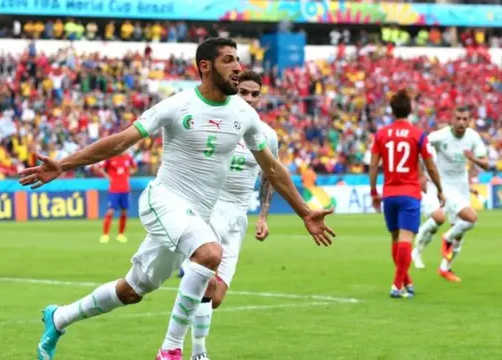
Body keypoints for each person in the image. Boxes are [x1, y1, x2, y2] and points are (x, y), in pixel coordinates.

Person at [20, 37, 335, 360]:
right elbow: (120, 142)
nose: (238, 67)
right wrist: (65, 164)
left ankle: (58, 318)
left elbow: (272, 167)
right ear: (205, 67)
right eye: (229, 60)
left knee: (132, 290)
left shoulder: (244, 115)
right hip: (164, 200)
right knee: (210, 252)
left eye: (238, 60)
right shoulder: (177, 105)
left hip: (195, 216)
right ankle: (171, 350)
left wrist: (304, 211)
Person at [188, 70, 278, 360]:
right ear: (234, 90)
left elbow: (270, 176)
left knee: (215, 298)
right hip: (209, 211)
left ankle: (191, 281)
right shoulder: (215, 123)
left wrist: (263, 216)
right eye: (244, 93)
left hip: (238, 219)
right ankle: (198, 352)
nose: (249, 99)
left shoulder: (267, 135)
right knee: (207, 284)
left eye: (255, 94)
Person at [369, 90, 444, 298]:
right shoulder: (418, 135)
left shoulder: (381, 134)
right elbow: (430, 166)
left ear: (392, 110)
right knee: (405, 239)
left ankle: (406, 280)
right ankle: (396, 284)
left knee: (396, 238)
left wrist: (374, 191)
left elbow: (374, 165)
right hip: (409, 193)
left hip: (390, 193)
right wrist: (439, 189)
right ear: (410, 109)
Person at [427, 106, 489, 282]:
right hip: (445, 185)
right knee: (471, 218)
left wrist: (473, 158)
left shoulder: (473, 137)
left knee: (460, 232)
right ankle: (446, 237)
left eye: (465, 119)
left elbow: (485, 164)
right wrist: (423, 171)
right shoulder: (441, 135)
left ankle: (444, 268)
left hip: (461, 185)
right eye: (458, 118)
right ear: (452, 119)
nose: (461, 122)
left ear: (469, 121)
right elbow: (422, 143)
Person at [411, 145, 446, 270]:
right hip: (428, 187)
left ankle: (417, 251)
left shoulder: (449, 148)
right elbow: (416, 158)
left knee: (435, 227)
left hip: (442, 186)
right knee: (439, 218)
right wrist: (420, 177)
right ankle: (419, 234)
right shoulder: (428, 146)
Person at [98, 152, 137, 244]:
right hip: (114, 189)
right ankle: (105, 235)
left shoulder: (128, 157)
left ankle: (120, 235)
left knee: (124, 212)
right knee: (110, 211)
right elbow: (101, 169)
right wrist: (109, 178)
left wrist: (128, 173)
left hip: (125, 189)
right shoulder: (110, 157)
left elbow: (135, 168)